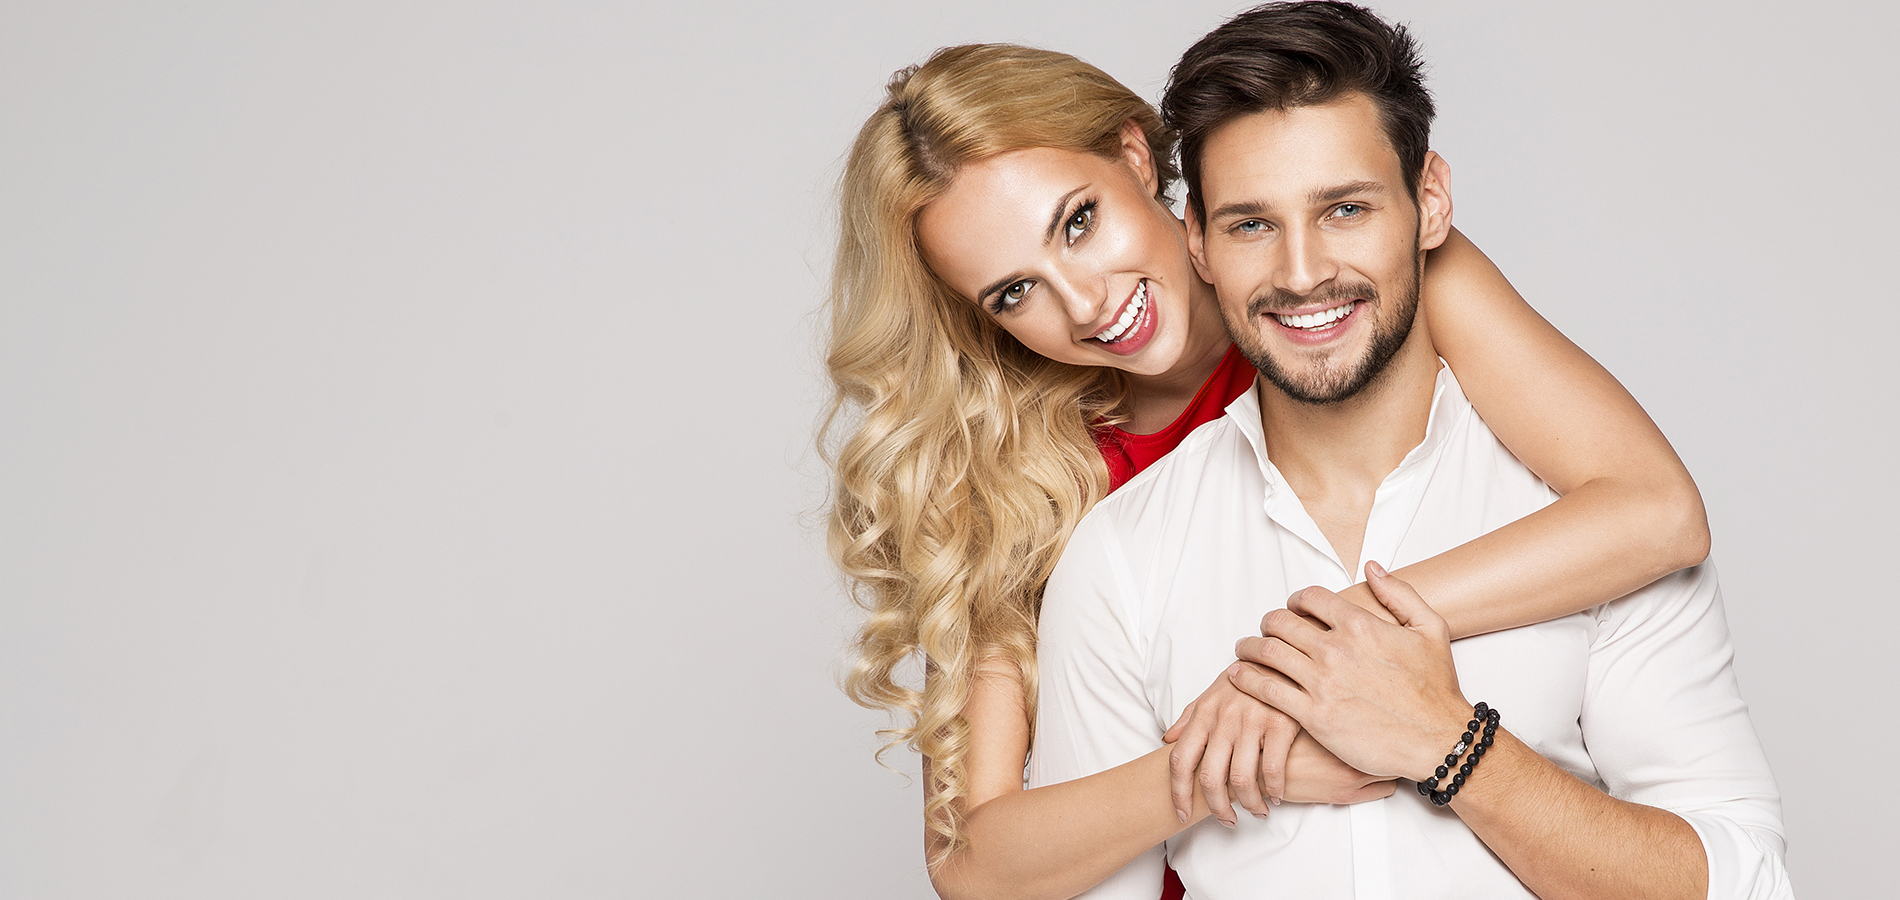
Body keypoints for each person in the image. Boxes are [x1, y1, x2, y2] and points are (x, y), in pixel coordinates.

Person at [823, 40, 1710, 900]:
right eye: (1015, 292)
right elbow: (975, 862)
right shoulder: (1010, 479)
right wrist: (1235, 763)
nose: (1086, 301)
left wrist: (1303, 664)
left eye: (1079, 223)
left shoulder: (1342, 286)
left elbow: (1657, 514)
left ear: (1137, 158)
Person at [1029, 3, 1791, 899]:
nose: (1303, 272)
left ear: (1430, 200)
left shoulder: (1580, 526)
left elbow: (1746, 886)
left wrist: (1452, 743)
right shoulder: (1121, 557)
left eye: (1345, 209)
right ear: (1196, 240)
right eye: (1250, 225)